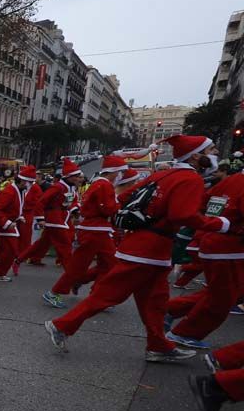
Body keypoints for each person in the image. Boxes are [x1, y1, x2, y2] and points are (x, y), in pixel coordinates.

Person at [46, 135, 225, 362]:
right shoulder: (189, 179)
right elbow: (183, 215)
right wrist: (220, 224)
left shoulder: (163, 173)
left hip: (148, 248)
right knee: (109, 293)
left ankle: (158, 345)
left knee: (155, 301)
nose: (216, 153)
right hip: (148, 250)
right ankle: (62, 325)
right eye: (211, 149)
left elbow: (125, 196)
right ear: (197, 156)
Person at [164, 165, 244, 348]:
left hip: (214, 241)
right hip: (229, 248)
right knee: (222, 299)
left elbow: (203, 204)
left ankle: (171, 311)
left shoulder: (232, 180)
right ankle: (184, 332)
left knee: (224, 292)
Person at [43, 156, 126, 308]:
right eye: (120, 172)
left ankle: (96, 294)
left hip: (98, 230)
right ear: (113, 172)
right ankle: (55, 292)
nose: (121, 175)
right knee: (79, 265)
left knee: (111, 264)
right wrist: (119, 204)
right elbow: (107, 208)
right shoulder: (103, 185)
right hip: (93, 231)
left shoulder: (99, 184)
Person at [18, 159, 84, 269]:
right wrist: (40, 219)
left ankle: (20, 259)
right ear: (68, 176)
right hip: (54, 218)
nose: (78, 179)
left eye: (79, 176)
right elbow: (41, 201)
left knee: (43, 243)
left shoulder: (72, 188)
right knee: (65, 244)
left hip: (64, 217)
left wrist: (75, 209)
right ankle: (70, 270)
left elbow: (72, 202)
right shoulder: (58, 187)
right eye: (76, 176)